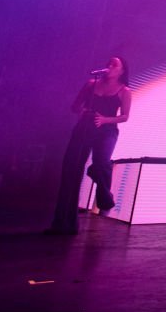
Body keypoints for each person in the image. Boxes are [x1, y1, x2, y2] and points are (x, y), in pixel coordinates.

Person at [47, 57, 132, 235]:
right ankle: (64, 223)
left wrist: (105, 120)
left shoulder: (124, 91)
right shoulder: (91, 83)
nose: (109, 66)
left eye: (114, 65)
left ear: (122, 71)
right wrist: (82, 111)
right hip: (84, 128)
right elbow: (75, 106)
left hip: (106, 131)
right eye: (108, 63)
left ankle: (106, 200)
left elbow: (124, 116)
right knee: (70, 171)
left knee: (101, 162)